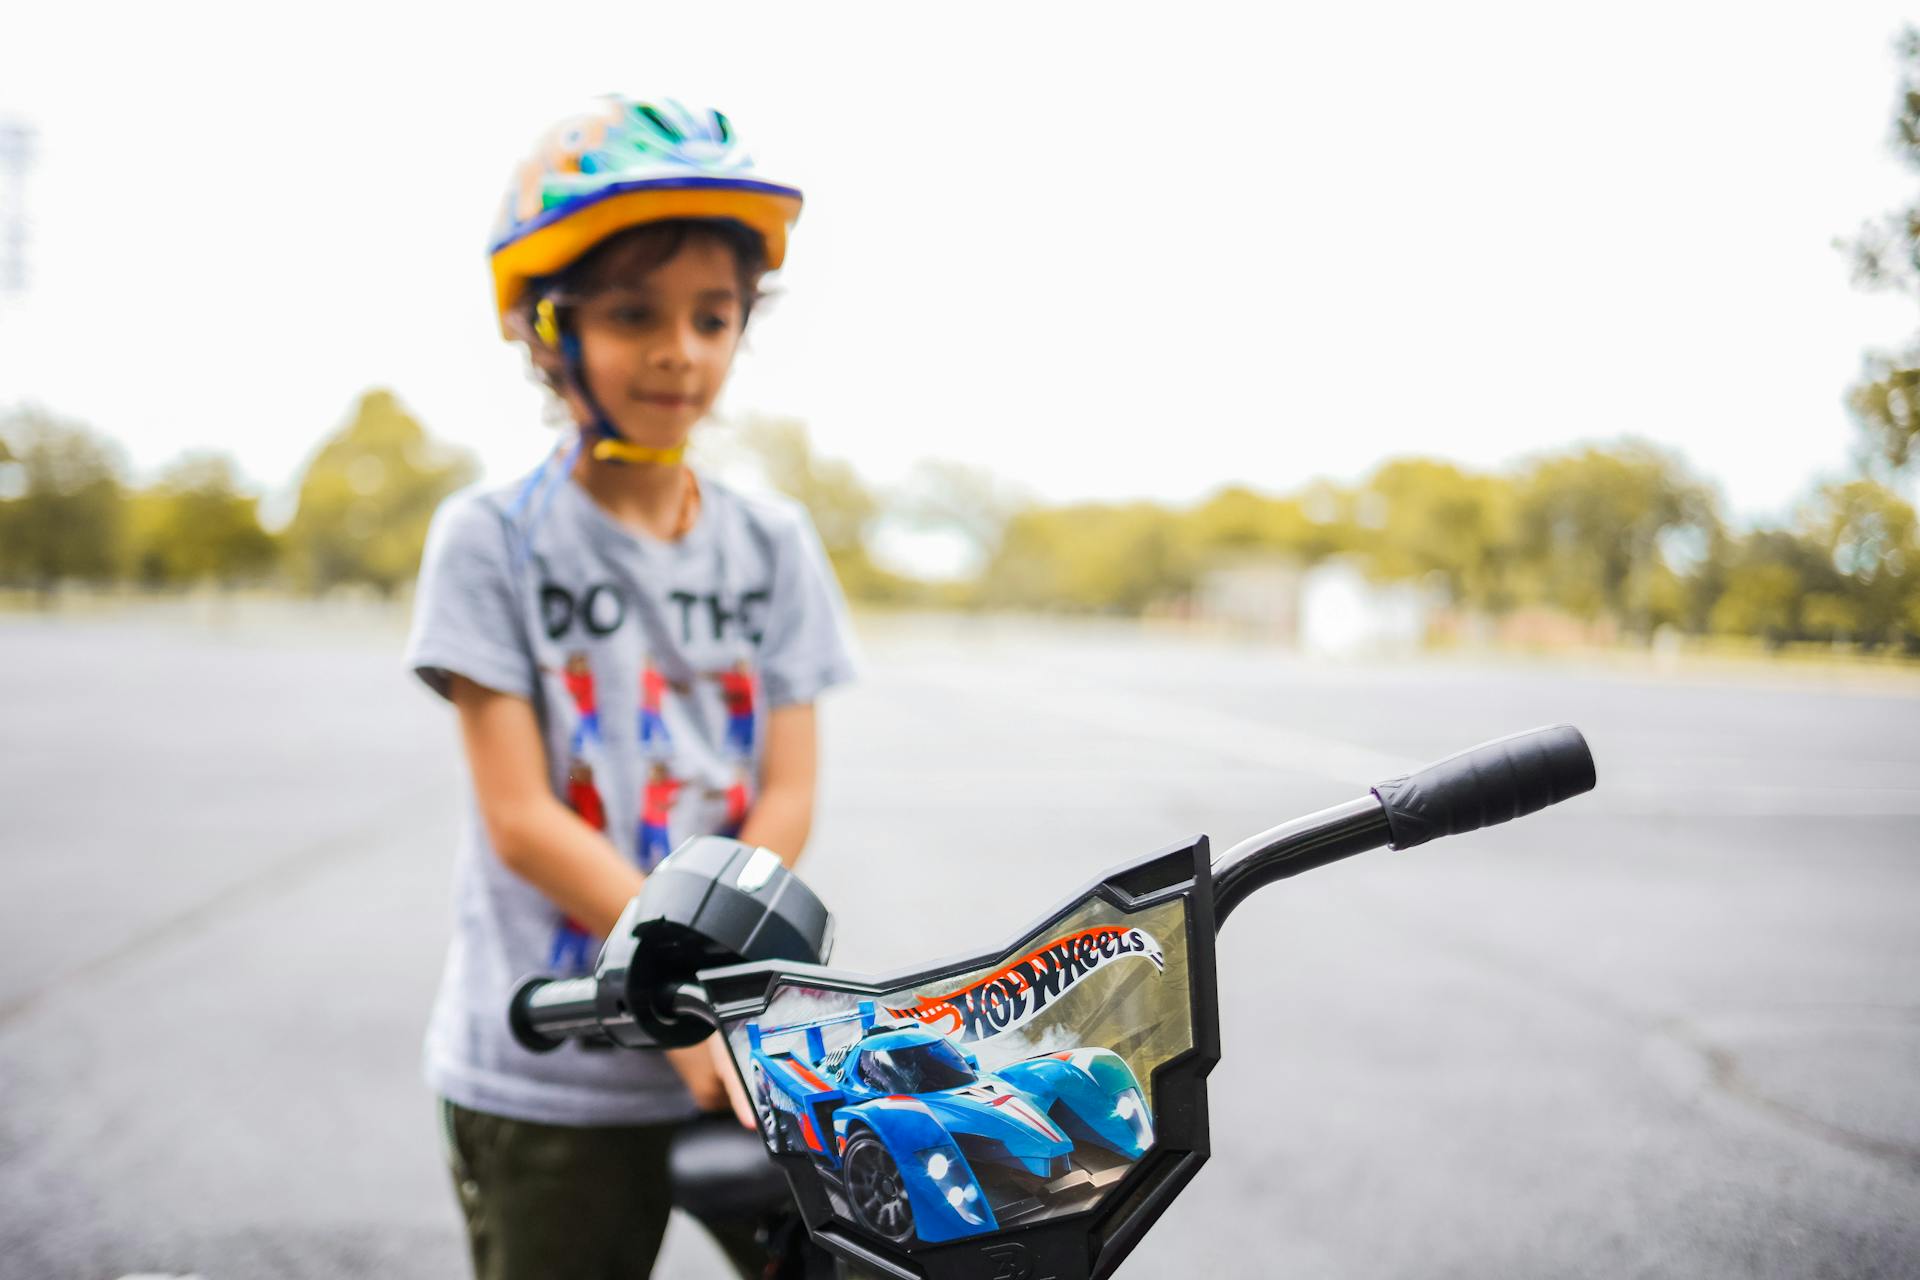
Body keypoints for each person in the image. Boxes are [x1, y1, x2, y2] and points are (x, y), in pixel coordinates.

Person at [405, 95, 858, 1280]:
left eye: (715, 316)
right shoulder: (490, 539)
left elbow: (789, 786)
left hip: (739, 1046)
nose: (681, 349)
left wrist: (712, 999)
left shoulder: (773, 543)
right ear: (547, 328)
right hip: (548, 1063)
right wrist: (682, 981)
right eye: (633, 313)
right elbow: (520, 814)